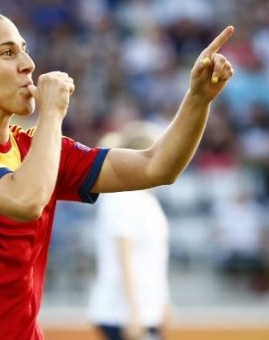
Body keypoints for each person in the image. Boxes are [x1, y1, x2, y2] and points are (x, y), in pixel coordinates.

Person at [0, 5, 234, 339]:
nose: (28, 65)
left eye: (24, 50)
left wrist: (198, 99)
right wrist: (51, 114)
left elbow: (156, 166)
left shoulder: (39, 150)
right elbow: (23, 199)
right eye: (7, 53)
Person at [88, 123, 171, 340]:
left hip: (143, 311)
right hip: (122, 314)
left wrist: (162, 303)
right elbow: (124, 256)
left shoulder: (143, 199)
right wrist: (133, 314)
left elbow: (152, 260)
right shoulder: (123, 197)